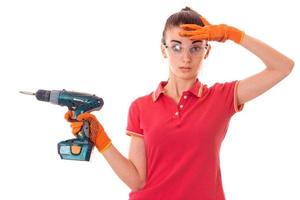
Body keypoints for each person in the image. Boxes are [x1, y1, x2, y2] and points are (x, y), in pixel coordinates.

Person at [64, 6, 294, 200]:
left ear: (207, 51)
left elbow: (283, 67)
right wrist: (100, 139)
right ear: (163, 50)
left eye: (195, 48)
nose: (186, 58)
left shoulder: (221, 97)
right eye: (176, 47)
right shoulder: (141, 107)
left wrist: (232, 34)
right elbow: (137, 181)